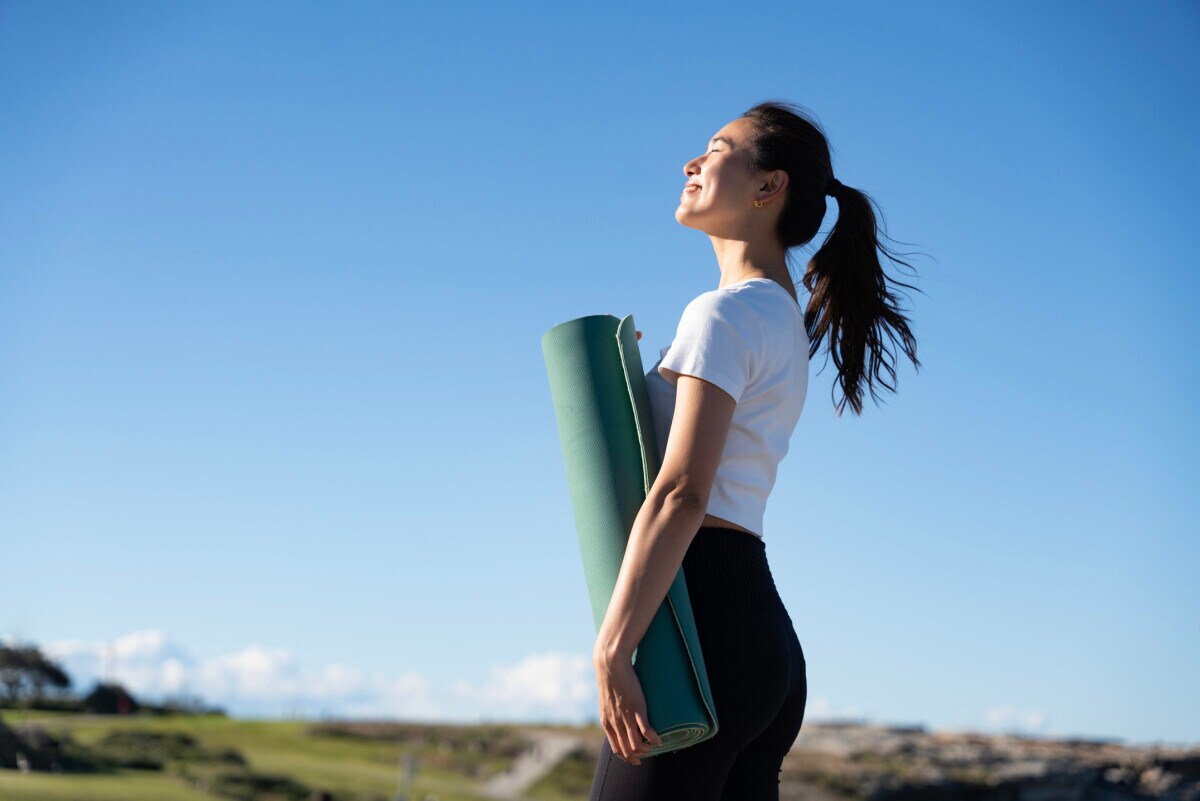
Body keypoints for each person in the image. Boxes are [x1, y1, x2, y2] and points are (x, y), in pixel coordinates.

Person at [587, 100, 922, 800]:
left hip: (700, 623)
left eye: (717, 148)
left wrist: (613, 646)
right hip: (760, 637)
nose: (691, 162)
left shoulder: (724, 312)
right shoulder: (779, 318)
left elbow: (683, 492)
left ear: (770, 185)